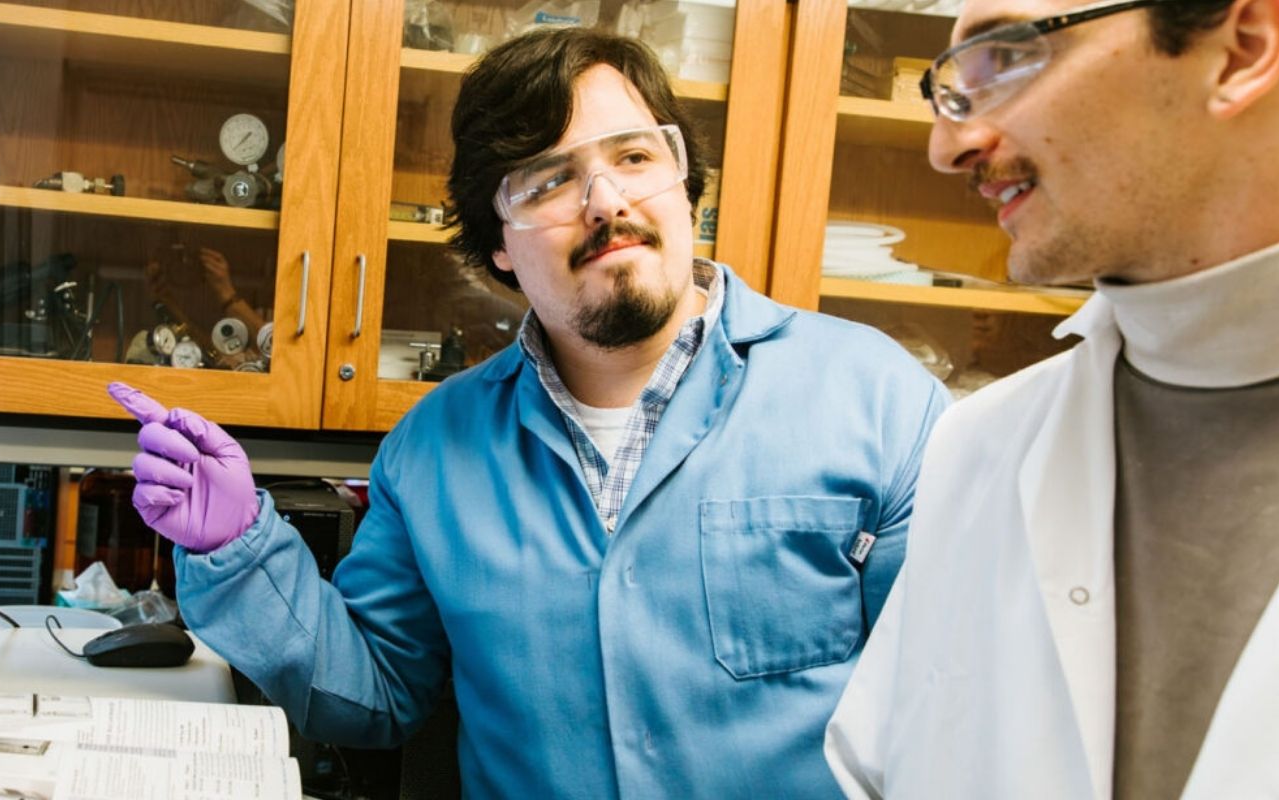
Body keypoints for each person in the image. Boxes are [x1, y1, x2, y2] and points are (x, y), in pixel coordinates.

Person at [109, 27, 948, 797]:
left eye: (633, 156)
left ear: (684, 183)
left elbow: (959, 697)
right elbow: (375, 694)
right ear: (498, 245)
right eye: (550, 178)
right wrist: (238, 546)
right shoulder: (433, 452)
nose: (605, 200)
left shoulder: (874, 399)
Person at [824, 0, 1279, 797]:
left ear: (1243, 48)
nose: (948, 146)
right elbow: (876, 770)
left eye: (1005, 56)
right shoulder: (981, 445)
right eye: (953, 90)